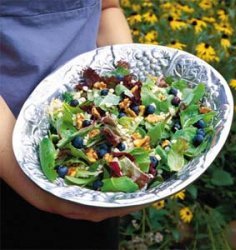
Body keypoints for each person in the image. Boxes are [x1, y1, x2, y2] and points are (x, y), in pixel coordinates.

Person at [0, 1, 139, 249]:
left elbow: (107, 9)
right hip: (7, 162)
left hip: (90, 149)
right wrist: (41, 194)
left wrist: (127, 92)